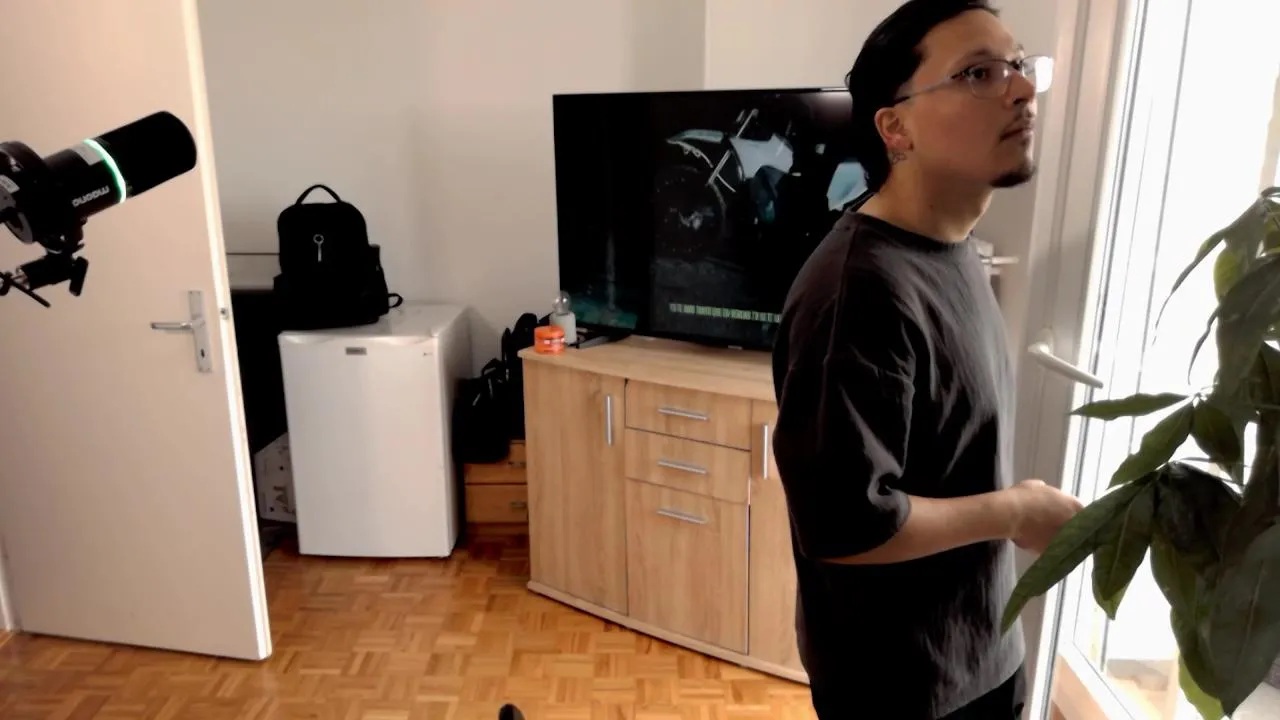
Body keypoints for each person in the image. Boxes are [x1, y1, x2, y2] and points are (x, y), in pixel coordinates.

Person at [770, 2, 1085, 718]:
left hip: (982, 653)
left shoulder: (954, 248)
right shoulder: (858, 291)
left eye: (1018, 65)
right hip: (903, 689)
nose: (1021, 89)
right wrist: (1015, 511)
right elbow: (847, 524)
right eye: (978, 73)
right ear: (896, 128)